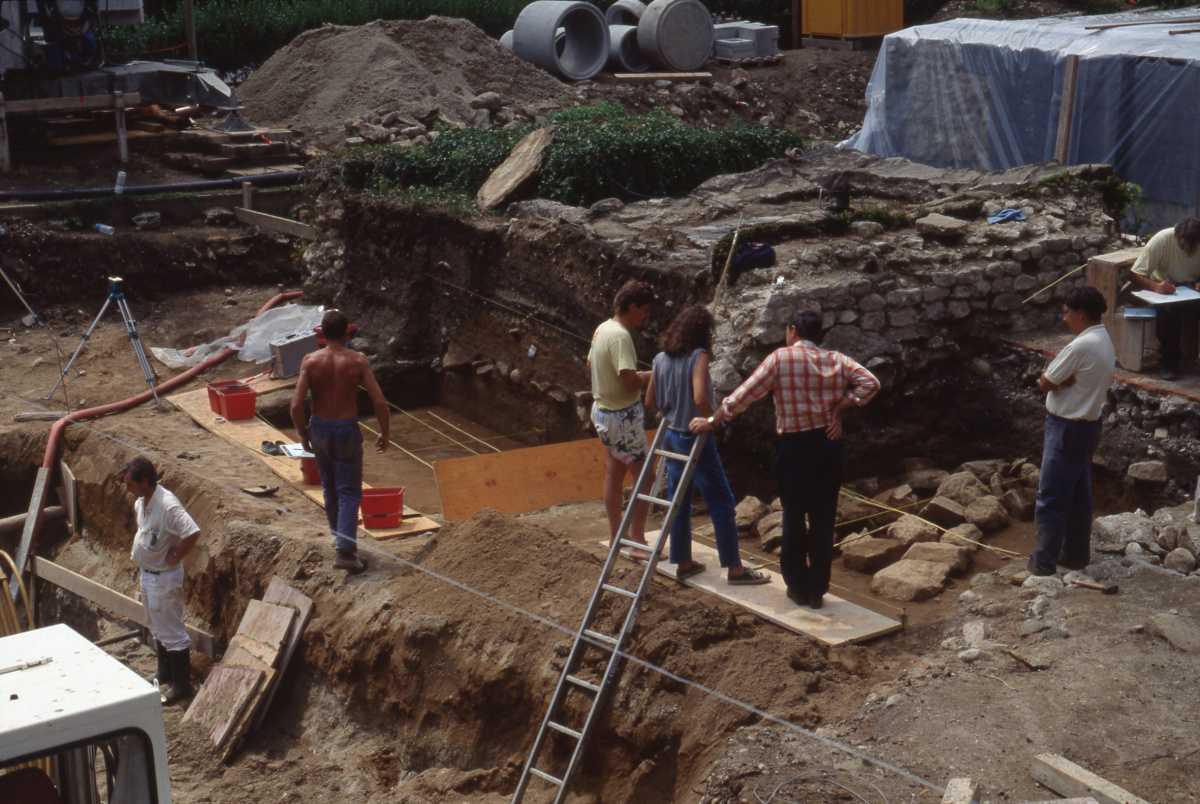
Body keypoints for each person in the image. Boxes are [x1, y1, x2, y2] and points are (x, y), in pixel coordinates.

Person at [691, 311, 879, 609]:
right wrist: (842, 406)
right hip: (827, 444)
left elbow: (744, 396)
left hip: (793, 446)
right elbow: (871, 383)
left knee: (793, 515)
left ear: (793, 330)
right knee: (823, 517)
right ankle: (817, 589)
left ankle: (797, 585)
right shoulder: (837, 359)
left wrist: (714, 419)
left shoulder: (780, 359)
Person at [645, 306, 769, 585]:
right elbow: (700, 396)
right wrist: (713, 419)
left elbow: (649, 401)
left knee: (679, 501)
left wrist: (668, 410)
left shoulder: (659, 359)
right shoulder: (697, 357)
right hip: (694, 436)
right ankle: (735, 569)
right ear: (703, 333)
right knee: (722, 501)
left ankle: (684, 561)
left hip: (671, 436)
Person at [290, 309, 390, 574]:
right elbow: (379, 401)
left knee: (330, 486)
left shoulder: (310, 361)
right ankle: (345, 551)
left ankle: (340, 538)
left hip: (320, 427)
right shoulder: (357, 361)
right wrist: (385, 432)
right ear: (348, 333)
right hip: (345, 428)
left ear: (321, 333)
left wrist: (303, 433)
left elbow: (297, 404)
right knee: (348, 491)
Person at [1028, 286, 1116, 576]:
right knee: (1078, 494)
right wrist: (1062, 379)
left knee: (1051, 496)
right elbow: (1061, 379)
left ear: (1080, 313)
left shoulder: (1080, 346)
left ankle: (1042, 564)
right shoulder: (1103, 339)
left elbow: (1045, 381)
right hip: (1088, 425)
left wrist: (1056, 379)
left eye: (1066, 312)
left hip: (1066, 427)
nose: (1063, 318)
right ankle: (1076, 555)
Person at [124, 456, 202, 705]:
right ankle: (165, 672)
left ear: (145, 481)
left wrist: (177, 554)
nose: (127, 488)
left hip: (164, 579)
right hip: (148, 574)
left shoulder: (168, 506)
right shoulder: (141, 503)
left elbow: (192, 532)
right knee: (157, 626)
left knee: (173, 632)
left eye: (131, 483)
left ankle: (182, 684)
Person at [588, 279, 656, 555]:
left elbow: (590, 363)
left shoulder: (602, 328)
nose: (645, 317)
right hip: (621, 416)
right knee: (645, 475)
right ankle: (636, 539)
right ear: (632, 307)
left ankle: (617, 536)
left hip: (603, 411)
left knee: (615, 472)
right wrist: (654, 374)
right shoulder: (620, 336)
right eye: (643, 311)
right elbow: (629, 380)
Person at [1130, 216, 1200, 380]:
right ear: (1178, 237)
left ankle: (1191, 359)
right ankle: (1169, 364)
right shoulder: (1162, 239)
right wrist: (1156, 286)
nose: (1188, 248)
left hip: (1193, 289)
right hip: (1166, 289)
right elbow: (1134, 274)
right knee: (1168, 314)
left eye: (1193, 245)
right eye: (1185, 244)